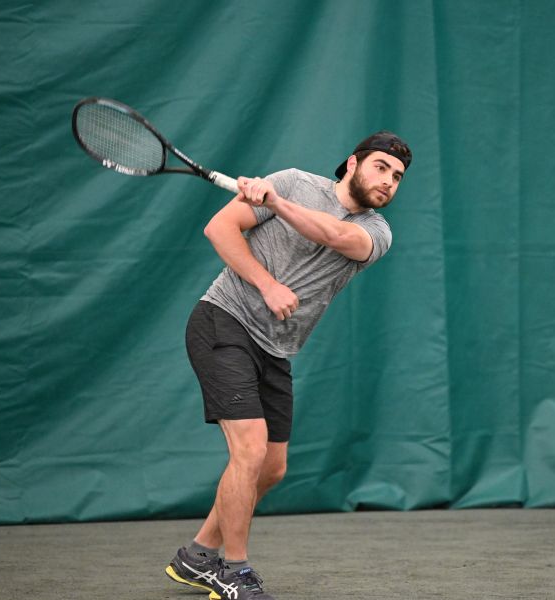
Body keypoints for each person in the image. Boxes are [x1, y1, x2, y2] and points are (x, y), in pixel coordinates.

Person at [164, 131, 412, 600]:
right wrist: (266, 283)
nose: (388, 181)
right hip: (224, 320)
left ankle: (197, 555)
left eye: (397, 177)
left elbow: (334, 235)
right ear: (353, 163)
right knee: (250, 449)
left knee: (272, 468)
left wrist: (275, 203)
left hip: (276, 348)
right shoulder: (293, 182)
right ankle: (233, 571)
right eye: (381, 167)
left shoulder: (377, 232)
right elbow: (220, 228)